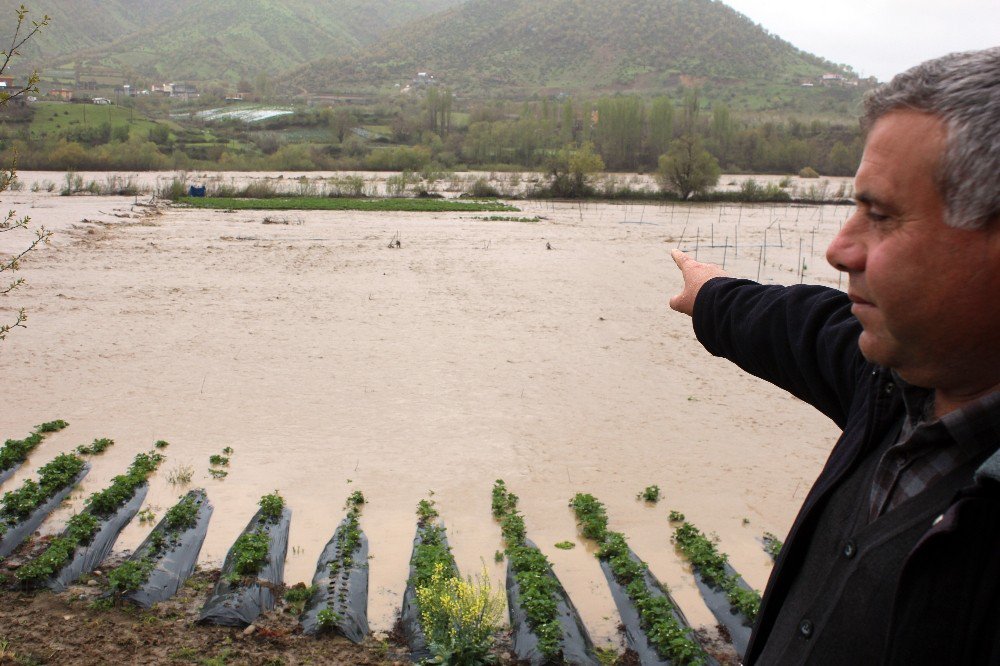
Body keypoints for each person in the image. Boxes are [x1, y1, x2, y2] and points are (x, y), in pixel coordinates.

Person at [669, 47, 999, 665]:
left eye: (880, 215)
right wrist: (712, 296)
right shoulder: (893, 383)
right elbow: (800, 327)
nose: (839, 248)